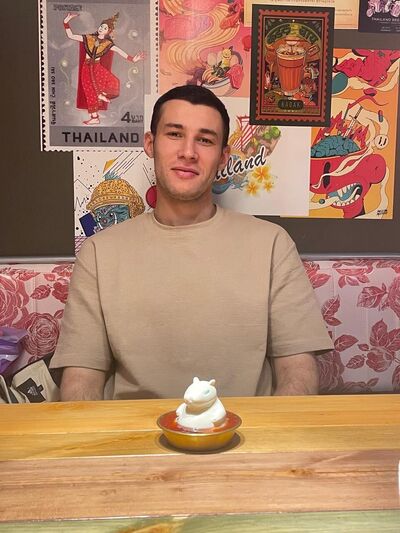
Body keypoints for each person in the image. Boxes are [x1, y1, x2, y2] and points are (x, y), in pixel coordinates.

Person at [51, 85, 333, 400]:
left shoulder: (272, 244)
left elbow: (298, 372)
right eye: (174, 134)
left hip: (247, 428)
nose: (188, 152)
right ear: (150, 144)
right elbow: (81, 380)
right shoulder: (99, 253)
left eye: (205, 140)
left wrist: (270, 431)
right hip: (134, 430)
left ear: (223, 157)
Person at [63, 12, 145, 125]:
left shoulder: (107, 44)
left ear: (108, 31)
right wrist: (66, 22)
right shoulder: (89, 38)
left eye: (105, 28)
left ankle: (101, 95)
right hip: (86, 67)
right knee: (89, 91)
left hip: (96, 67)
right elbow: (71, 36)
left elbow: (119, 51)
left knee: (109, 81)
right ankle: (95, 116)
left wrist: (132, 59)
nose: (102, 28)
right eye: (101, 26)